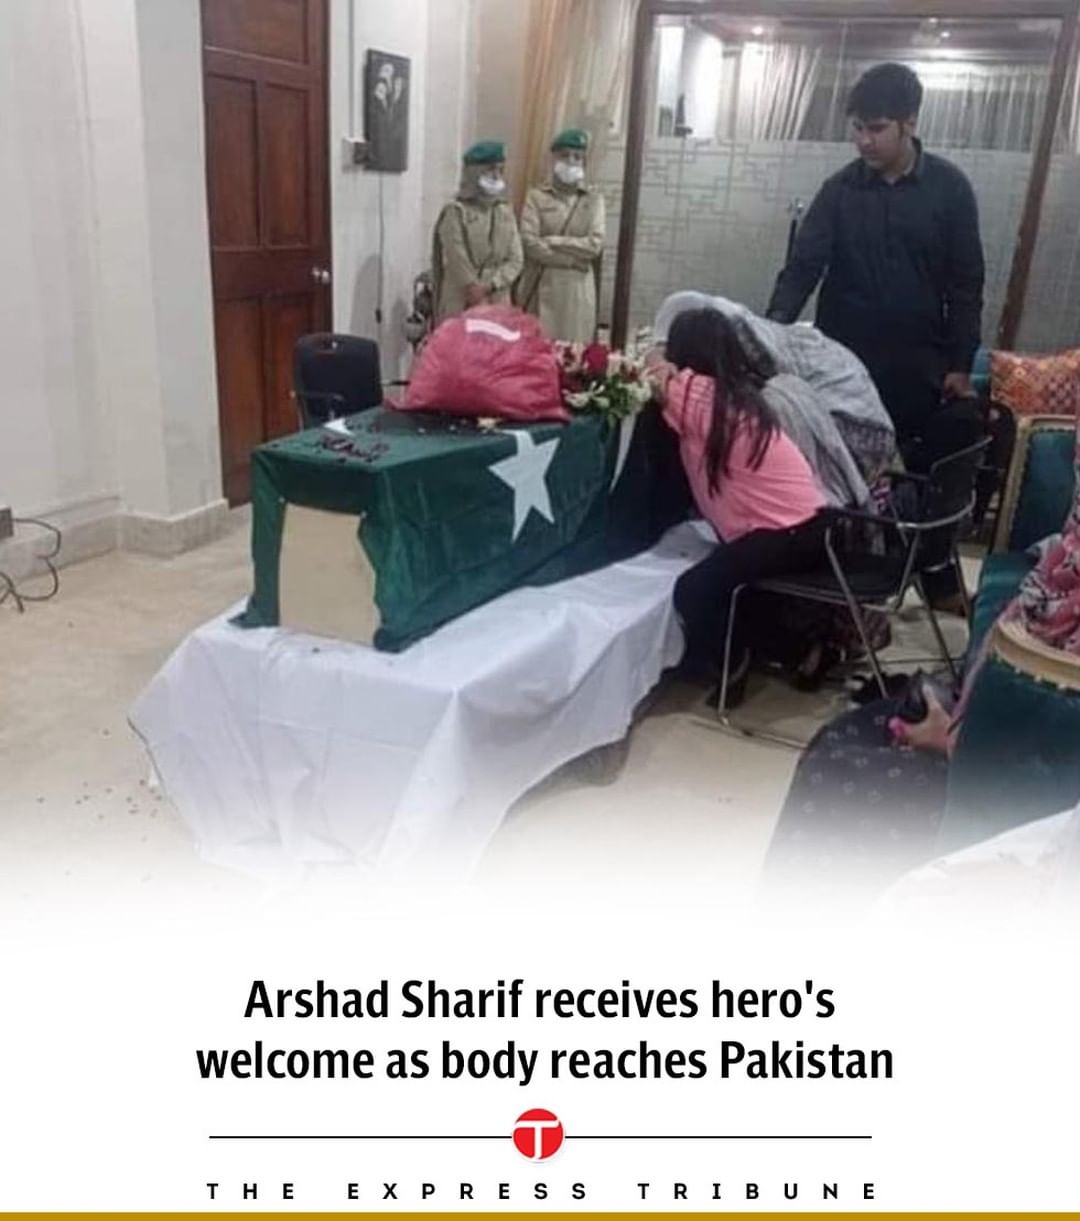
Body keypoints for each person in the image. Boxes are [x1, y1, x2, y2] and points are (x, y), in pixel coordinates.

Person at [766, 64, 986, 610]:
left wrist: (960, 363)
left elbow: (966, 285)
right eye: (857, 128)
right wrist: (770, 334)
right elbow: (802, 269)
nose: (864, 140)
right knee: (838, 476)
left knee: (933, 466)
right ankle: (836, 585)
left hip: (918, 365)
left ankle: (932, 566)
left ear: (910, 123)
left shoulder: (949, 190)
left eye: (877, 128)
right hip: (843, 367)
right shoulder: (839, 191)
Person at [656, 308, 832, 689]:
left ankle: (730, 665)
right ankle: (803, 652)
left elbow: (648, 377)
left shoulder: (699, 393)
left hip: (787, 531)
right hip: (810, 525)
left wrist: (657, 362)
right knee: (741, 593)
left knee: (693, 591)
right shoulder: (737, 395)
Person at [518, 128, 606, 343]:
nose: (571, 161)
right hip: (543, 285)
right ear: (553, 159)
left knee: (575, 351)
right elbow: (529, 242)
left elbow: (594, 245)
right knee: (539, 349)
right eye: (565, 155)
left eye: (577, 157)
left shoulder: (593, 200)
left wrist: (553, 240)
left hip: (578, 290)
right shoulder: (536, 197)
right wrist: (570, 261)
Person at [432, 142, 524, 324]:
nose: (496, 175)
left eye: (500, 170)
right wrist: (472, 288)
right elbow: (456, 257)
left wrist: (492, 284)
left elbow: (516, 259)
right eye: (490, 170)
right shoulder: (455, 211)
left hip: (498, 298)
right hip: (462, 298)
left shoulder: (505, 211)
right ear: (474, 173)